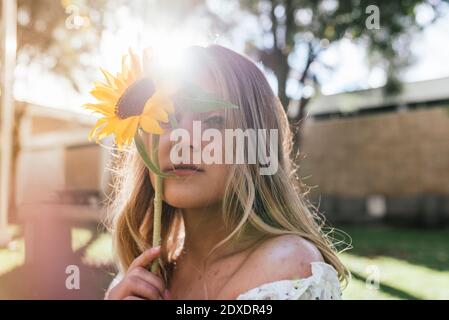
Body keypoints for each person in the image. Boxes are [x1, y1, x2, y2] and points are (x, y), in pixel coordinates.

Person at [104, 45, 348, 300]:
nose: (182, 139)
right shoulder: (142, 277)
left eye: (213, 121)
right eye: (165, 118)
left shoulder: (288, 270)